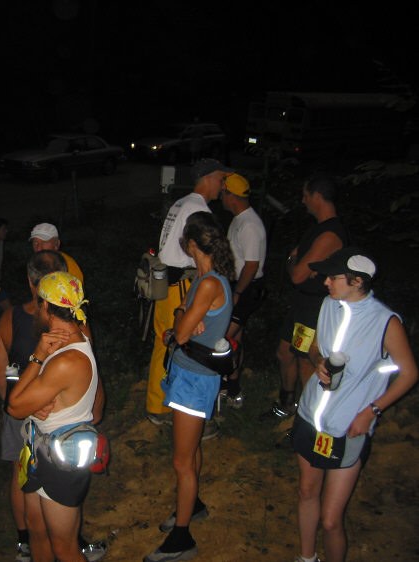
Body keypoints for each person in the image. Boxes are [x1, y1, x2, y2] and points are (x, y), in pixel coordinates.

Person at [290, 248, 417, 562]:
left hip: (349, 427)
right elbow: (316, 346)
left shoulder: (385, 322)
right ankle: (307, 558)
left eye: (333, 277)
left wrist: (372, 411)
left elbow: (410, 373)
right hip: (310, 415)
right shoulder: (329, 305)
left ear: (357, 281)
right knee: (307, 492)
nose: (326, 283)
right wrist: (317, 360)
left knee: (332, 519)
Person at [0, 252, 106, 562]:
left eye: (38, 303)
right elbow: (24, 404)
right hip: (38, 449)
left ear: (45, 306)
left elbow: (14, 405)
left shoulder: (66, 359)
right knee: (37, 529)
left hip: (61, 463)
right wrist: (35, 403)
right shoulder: (72, 334)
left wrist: (38, 356)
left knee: (65, 547)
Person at [144, 211, 235, 562]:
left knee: (182, 462)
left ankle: (182, 539)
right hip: (188, 374)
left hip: (196, 380)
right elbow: (180, 325)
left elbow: (178, 333)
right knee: (191, 450)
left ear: (193, 244)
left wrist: (181, 323)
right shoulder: (205, 277)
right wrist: (182, 321)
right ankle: (191, 505)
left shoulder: (210, 283)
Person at [147, 158, 232, 427]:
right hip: (181, 281)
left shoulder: (180, 202)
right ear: (207, 177)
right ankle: (168, 404)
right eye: (220, 179)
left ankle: (158, 401)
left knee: (164, 340)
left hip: (166, 279)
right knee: (175, 341)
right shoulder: (197, 208)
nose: (222, 186)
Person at [267, 174, 348, 419]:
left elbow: (297, 274)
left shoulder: (330, 235)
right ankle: (286, 404)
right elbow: (298, 266)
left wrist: (293, 262)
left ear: (317, 196)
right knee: (284, 352)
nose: (303, 201)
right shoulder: (317, 229)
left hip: (314, 308)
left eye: (305, 195)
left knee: (305, 361)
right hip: (301, 303)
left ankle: (306, 418)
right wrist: (295, 262)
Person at [219, 173, 267, 408]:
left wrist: (237, 292)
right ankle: (233, 388)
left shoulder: (248, 225)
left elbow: (252, 264)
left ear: (231, 196)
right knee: (235, 338)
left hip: (246, 287)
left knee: (222, 337)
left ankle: (221, 385)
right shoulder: (239, 219)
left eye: (223, 193)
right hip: (238, 285)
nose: (221, 197)